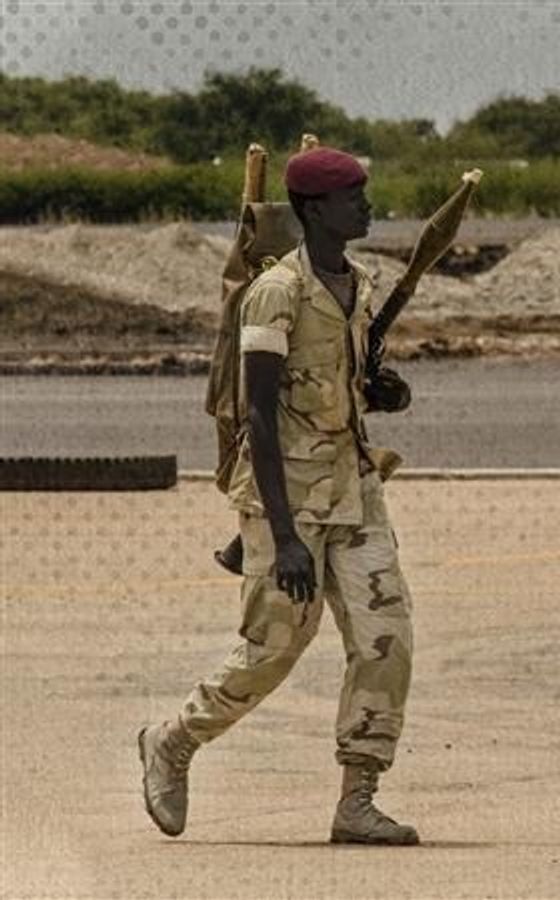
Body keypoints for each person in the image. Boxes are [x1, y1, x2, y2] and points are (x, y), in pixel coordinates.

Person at [138, 147, 419, 846]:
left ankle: (358, 800)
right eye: (353, 197)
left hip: (355, 487)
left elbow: (342, 385)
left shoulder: (359, 283)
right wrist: (285, 537)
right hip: (284, 496)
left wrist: (383, 392)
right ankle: (173, 740)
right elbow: (259, 415)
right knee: (274, 647)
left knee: (386, 640)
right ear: (314, 211)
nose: (366, 206)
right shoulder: (276, 293)